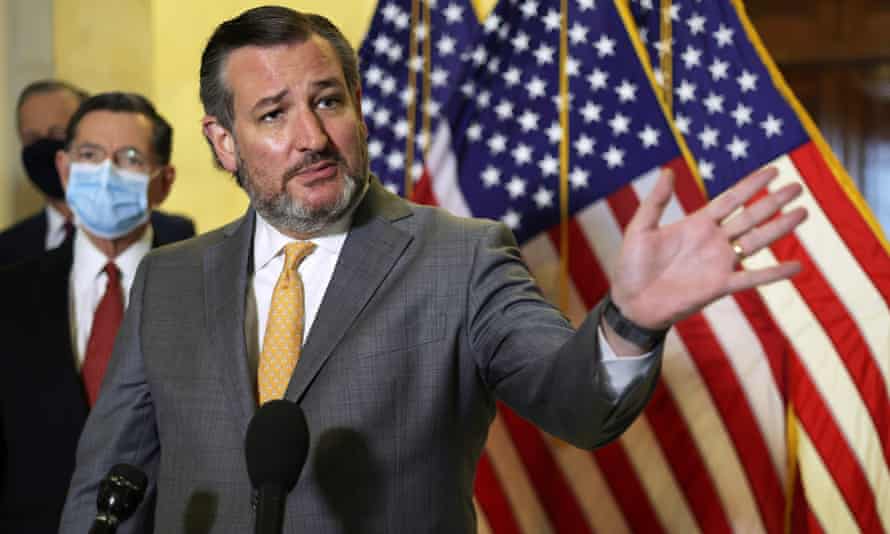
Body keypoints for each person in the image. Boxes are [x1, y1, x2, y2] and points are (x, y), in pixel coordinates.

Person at [60, 7, 807, 533]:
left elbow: (574, 402)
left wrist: (631, 320)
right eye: (274, 115)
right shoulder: (169, 279)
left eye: (329, 101)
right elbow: (109, 485)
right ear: (224, 142)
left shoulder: (462, 256)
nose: (312, 136)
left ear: (359, 107)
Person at [0, 92, 197, 533]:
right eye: (89, 155)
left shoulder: (206, 291)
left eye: (129, 158)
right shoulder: (9, 294)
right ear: (64, 169)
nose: (106, 174)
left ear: (164, 181)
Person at [0, 79, 195, 266]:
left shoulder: (178, 237)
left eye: (58, 133)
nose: (44, 147)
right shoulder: (7, 249)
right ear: (64, 166)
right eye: (32, 139)